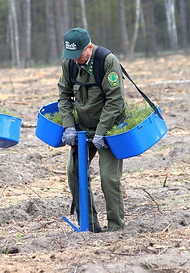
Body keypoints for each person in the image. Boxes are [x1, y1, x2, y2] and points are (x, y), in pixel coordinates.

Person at [57, 27, 127, 232]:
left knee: (108, 177)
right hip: (83, 129)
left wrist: (102, 131)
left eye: (78, 54)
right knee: (74, 172)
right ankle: (89, 224)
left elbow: (115, 100)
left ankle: (116, 227)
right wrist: (69, 126)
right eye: (71, 55)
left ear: (89, 47)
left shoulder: (106, 61)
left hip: (110, 127)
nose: (75, 59)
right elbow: (64, 96)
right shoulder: (69, 63)